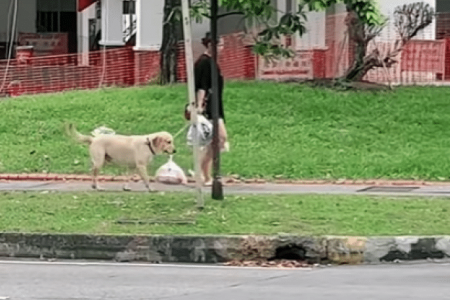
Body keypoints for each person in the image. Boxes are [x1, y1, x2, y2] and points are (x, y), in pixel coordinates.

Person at [193, 32, 229, 186]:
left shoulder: (211, 62)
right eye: (220, 44)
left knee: (214, 142)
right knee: (219, 139)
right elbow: (201, 86)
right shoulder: (204, 63)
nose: (222, 48)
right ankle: (201, 171)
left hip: (216, 106)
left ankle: (205, 175)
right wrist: (199, 106)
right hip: (209, 108)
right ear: (211, 45)